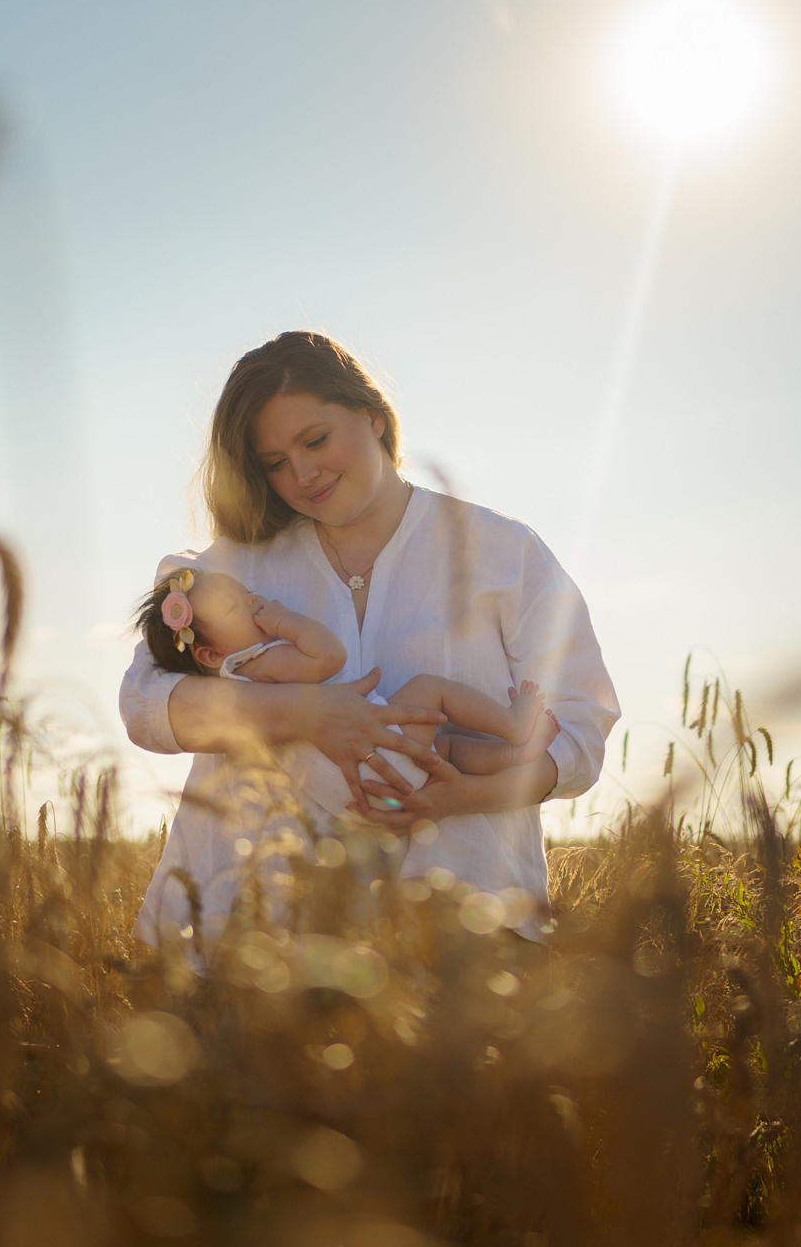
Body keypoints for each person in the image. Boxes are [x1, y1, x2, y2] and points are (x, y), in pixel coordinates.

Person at [120, 331, 618, 945]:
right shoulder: (226, 575)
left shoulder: (504, 553)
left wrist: (459, 797)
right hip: (255, 933)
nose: (302, 473)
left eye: (316, 439)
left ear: (373, 417)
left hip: (466, 926)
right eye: (274, 462)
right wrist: (302, 714)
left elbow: (581, 729)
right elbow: (146, 705)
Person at [132, 563, 562, 785]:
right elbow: (329, 657)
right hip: (374, 753)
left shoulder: (243, 678)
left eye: (244, 592)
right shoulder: (261, 662)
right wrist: (284, 621)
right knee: (430, 692)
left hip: (365, 770)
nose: (250, 601)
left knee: (446, 750)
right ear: (210, 654)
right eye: (232, 606)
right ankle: (512, 724)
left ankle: (513, 759)